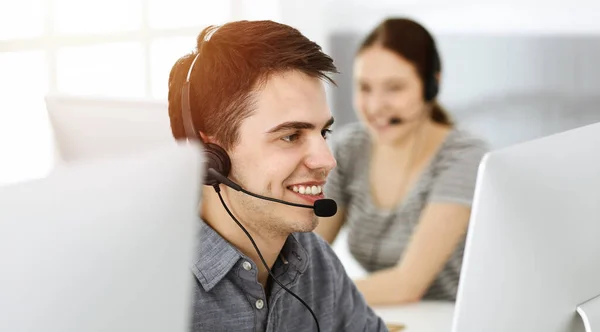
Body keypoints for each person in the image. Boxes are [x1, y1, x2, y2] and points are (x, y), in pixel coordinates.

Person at [167, 20, 388, 331]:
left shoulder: (313, 260)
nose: (327, 160)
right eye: (291, 136)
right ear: (210, 157)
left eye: (323, 132)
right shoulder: (150, 284)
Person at [314, 18, 489, 306]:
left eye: (394, 88)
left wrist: (309, 296)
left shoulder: (464, 156)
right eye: (365, 88)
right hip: (391, 317)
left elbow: (406, 285)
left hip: (457, 318)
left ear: (431, 85)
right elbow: (305, 256)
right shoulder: (348, 148)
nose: (375, 106)